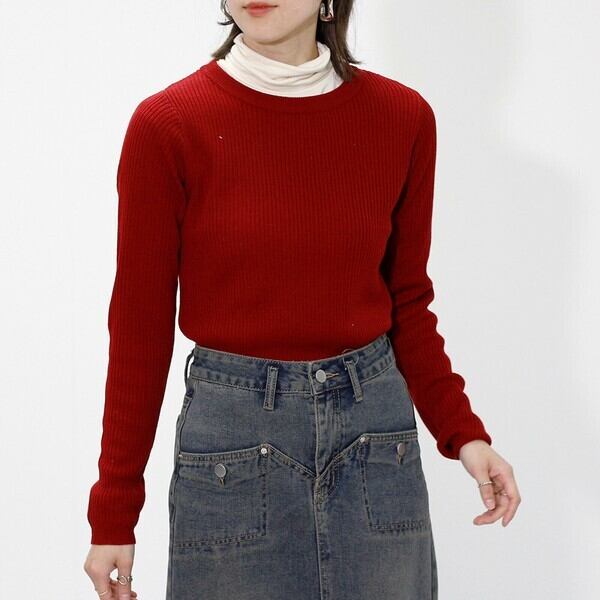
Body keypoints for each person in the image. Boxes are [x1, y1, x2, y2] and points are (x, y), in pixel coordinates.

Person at [83, 1, 522, 598]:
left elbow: (407, 301)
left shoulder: (402, 117)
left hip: (374, 437)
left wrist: (465, 433)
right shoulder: (170, 124)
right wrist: (113, 510)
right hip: (232, 445)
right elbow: (140, 324)